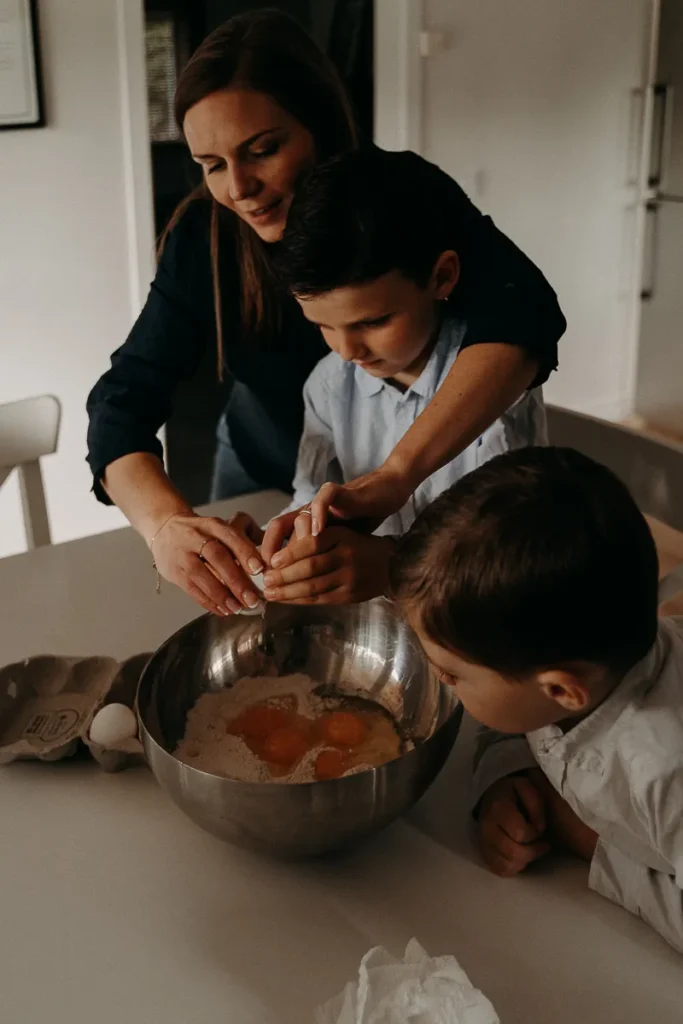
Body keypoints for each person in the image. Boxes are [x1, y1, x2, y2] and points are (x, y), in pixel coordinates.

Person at [86, 9, 565, 619]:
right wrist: (165, 528)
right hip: (266, 461)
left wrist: (396, 478)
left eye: (262, 150)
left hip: (428, 485)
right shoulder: (205, 241)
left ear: (320, 126)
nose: (239, 188)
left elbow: (524, 315)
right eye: (211, 165)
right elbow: (121, 402)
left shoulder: (400, 201)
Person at [389, 446, 683, 955]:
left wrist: (583, 839)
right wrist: (505, 777)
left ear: (563, 689)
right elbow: (516, 716)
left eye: (453, 676)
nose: (438, 680)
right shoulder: (573, 663)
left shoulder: (665, 770)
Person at [257, 147, 545, 604]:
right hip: (381, 617)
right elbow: (309, 495)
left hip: (482, 624)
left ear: (442, 276)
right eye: (323, 326)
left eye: (373, 322)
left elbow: (512, 555)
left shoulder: (493, 388)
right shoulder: (328, 384)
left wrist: (396, 564)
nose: (347, 350)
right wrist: (292, 547)